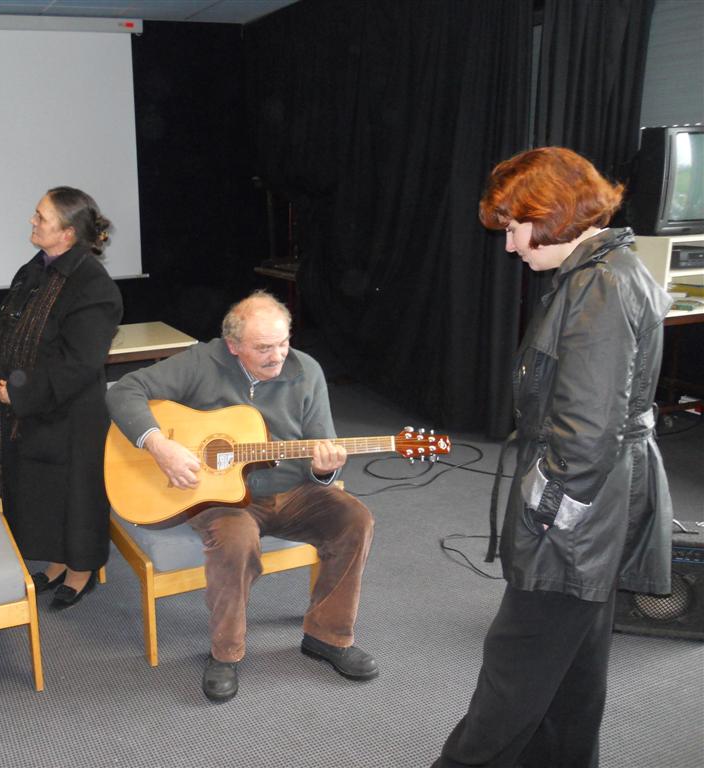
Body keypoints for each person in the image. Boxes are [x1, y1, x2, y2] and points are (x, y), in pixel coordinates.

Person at [432, 147, 673, 768]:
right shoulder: (607, 270)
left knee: (513, 669)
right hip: (602, 500)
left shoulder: (600, 287)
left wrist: (545, 517)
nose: (510, 244)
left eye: (514, 227)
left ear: (551, 214)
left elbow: (586, 436)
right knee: (574, 669)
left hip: (580, 508)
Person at [106, 290, 377, 702]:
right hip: (219, 497)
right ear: (233, 346)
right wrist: (160, 446)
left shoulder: (307, 371)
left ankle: (328, 635)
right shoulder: (202, 362)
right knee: (235, 540)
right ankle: (225, 653)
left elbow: (323, 445)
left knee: (355, 518)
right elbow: (123, 391)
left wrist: (325, 470)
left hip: (292, 490)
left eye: (283, 343)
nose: (278, 356)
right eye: (264, 348)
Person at [0, 187, 122, 610]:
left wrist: (22, 392)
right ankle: (57, 562)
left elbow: (80, 363)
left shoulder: (93, 286)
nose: (32, 221)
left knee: (75, 496)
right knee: (43, 494)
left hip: (71, 415)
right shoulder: (34, 269)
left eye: (41, 217)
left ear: (67, 233)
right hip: (30, 411)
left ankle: (81, 572)